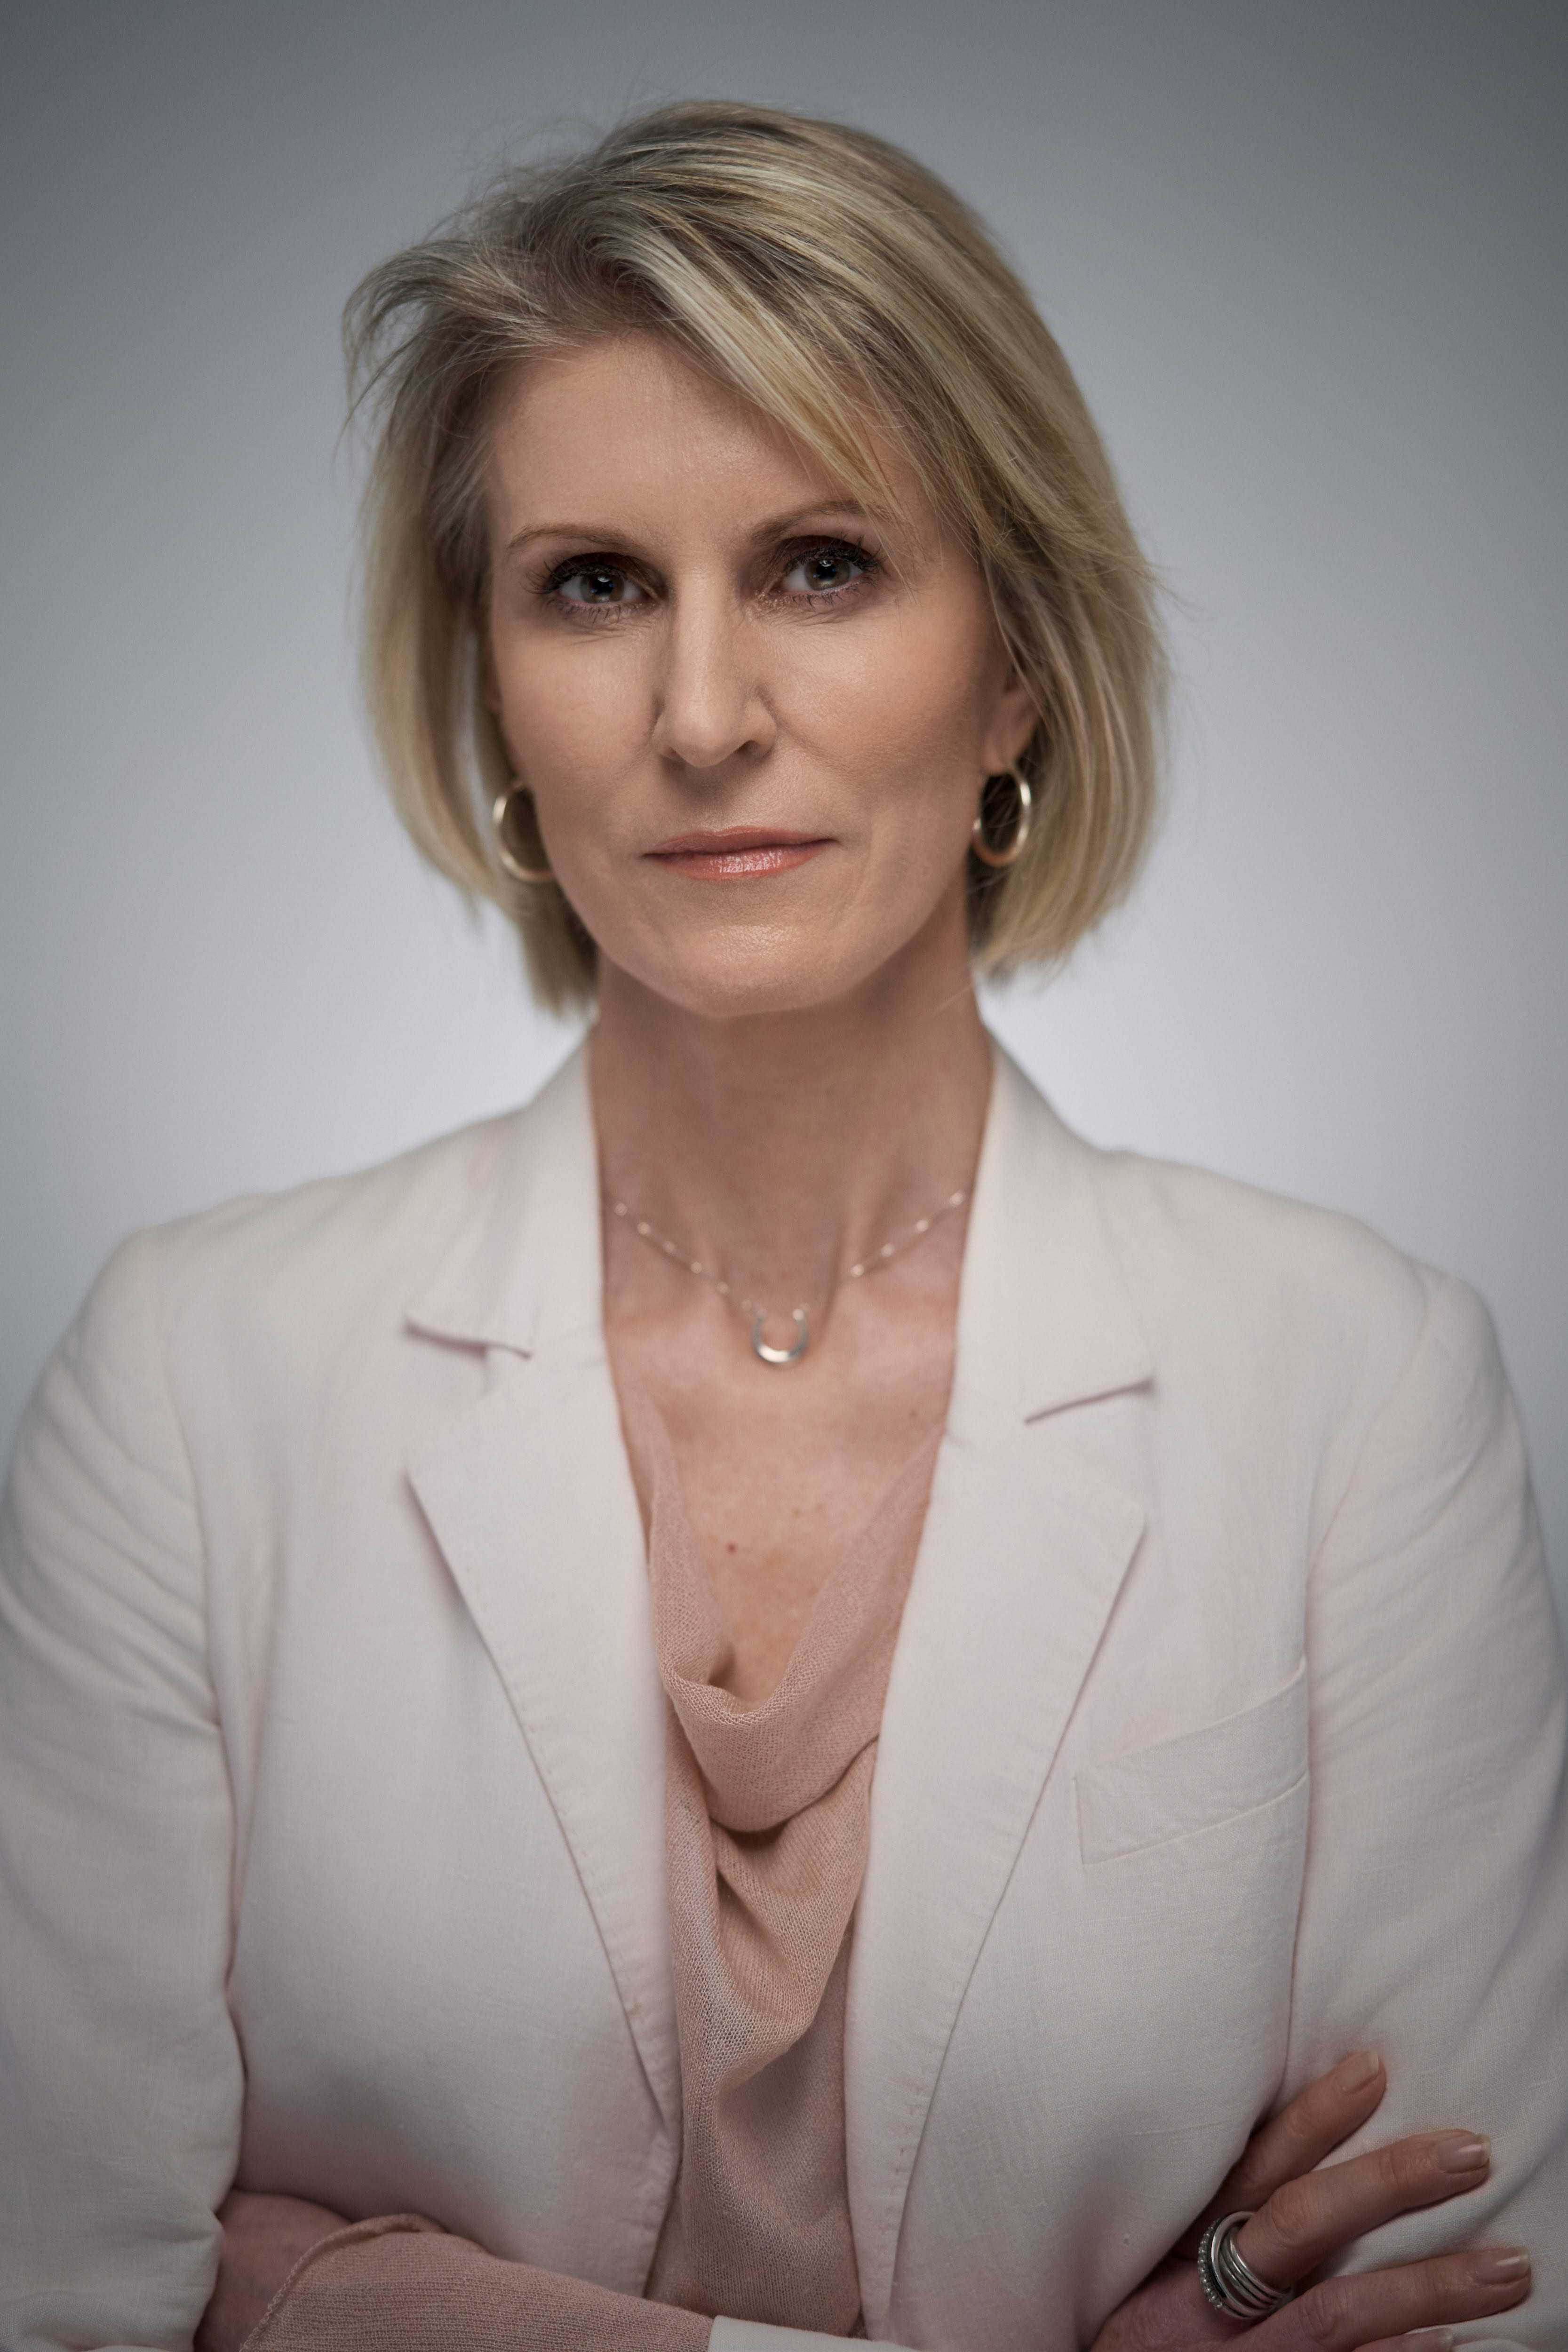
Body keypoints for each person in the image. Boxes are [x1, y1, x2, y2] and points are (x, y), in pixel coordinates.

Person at [0, 100, 1562, 2352]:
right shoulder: (187, 1375)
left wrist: (336, 2297)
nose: (706, 713)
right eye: (595, 584)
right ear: (494, 693)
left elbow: (1466, 2293)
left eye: (822, 563)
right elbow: (63, 2303)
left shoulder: (1359, 1382)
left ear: (1015, 665)